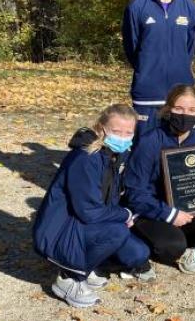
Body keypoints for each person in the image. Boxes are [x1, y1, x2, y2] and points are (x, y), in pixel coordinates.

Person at [33, 104, 150, 308]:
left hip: (86, 223)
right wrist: (124, 214)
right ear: (101, 128)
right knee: (117, 233)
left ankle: (88, 266)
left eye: (128, 133)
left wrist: (125, 215)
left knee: (137, 253)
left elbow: (110, 199)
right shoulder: (85, 158)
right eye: (116, 131)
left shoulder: (114, 155)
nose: (122, 137)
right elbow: (88, 211)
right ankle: (69, 278)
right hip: (61, 229)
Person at [124, 86, 195, 278]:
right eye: (179, 109)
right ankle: (145, 240)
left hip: (188, 209)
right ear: (168, 110)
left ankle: (187, 244)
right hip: (152, 211)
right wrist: (168, 213)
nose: (185, 115)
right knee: (172, 247)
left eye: (191, 110)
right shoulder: (150, 141)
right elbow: (135, 193)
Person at [122, 0, 195, 138]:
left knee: (176, 150)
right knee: (144, 146)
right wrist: (146, 67)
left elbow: (191, 47)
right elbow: (132, 48)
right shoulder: (137, 7)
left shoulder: (190, 8)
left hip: (180, 94)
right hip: (147, 92)